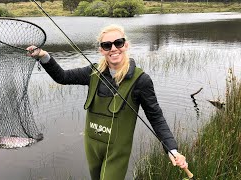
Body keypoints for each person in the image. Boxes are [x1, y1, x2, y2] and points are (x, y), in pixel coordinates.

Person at [27, 24, 188, 180]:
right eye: (107, 45)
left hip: (117, 151)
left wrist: (171, 149)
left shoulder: (141, 80)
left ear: (126, 45)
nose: (113, 48)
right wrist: (43, 56)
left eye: (118, 43)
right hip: (92, 146)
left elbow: (156, 117)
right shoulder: (92, 72)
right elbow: (62, 77)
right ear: (101, 50)